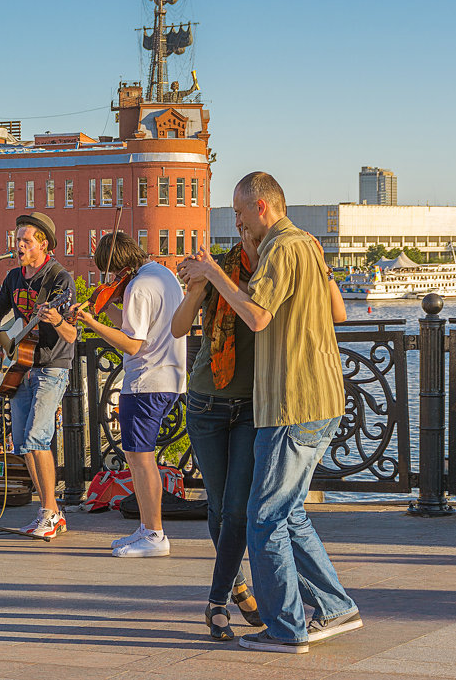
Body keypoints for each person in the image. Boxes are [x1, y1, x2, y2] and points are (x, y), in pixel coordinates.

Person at [178, 172, 358, 654]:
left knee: (264, 519)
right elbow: (338, 314)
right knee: (289, 513)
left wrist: (215, 273)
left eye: (238, 213)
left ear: (261, 207)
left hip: (291, 401)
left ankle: (285, 628)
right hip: (320, 399)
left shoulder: (281, 246)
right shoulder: (309, 246)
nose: (236, 221)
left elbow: (256, 315)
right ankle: (336, 608)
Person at [171, 228, 263, 640]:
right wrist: (197, 287)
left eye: (249, 227)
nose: (245, 235)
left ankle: (216, 602)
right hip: (207, 403)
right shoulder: (218, 268)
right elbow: (178, 328)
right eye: (239, 229)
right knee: (218, 505)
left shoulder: (272, 272)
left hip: (249, 407)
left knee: (236, 510)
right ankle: (239, 587)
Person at [71, 232, 185, 557]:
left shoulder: (137, 286)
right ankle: (147, 527)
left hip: (145, 380)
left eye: (109, 271)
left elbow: (133, 344)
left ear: (117, 263)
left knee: (140, 458)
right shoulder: (161, 274)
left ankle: (154, 534)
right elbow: (135, 328)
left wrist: (91, 323)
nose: (110, 279)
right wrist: (105, 308)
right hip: (170, 376)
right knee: (140, 457)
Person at [0, 212, 77, 538]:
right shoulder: (13, 277)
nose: (19, 246)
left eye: (26, 241)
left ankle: (51, 513)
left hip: (52, 366)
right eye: (17, 240)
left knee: (38, 437)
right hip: (20, 366)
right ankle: (48, 511)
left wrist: (54, 319)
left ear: (43, 245)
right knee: (23, 444)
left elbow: (70, 335)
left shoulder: (60, 281)